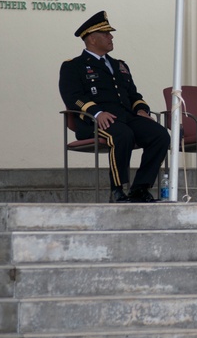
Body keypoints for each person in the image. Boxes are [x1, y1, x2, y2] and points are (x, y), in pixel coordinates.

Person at [59, 11, 170, 202]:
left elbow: (133, 94)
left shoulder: (119, 65)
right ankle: (117, 189)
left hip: (126, 117)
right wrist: (97, 112)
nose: (111, 37)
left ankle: (140, 188)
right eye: (106, 34)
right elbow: (73, 97)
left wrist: (141, 109)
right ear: (92, 39)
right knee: (122, 135)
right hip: (94, 121)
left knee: (160, 135)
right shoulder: (74, 66)